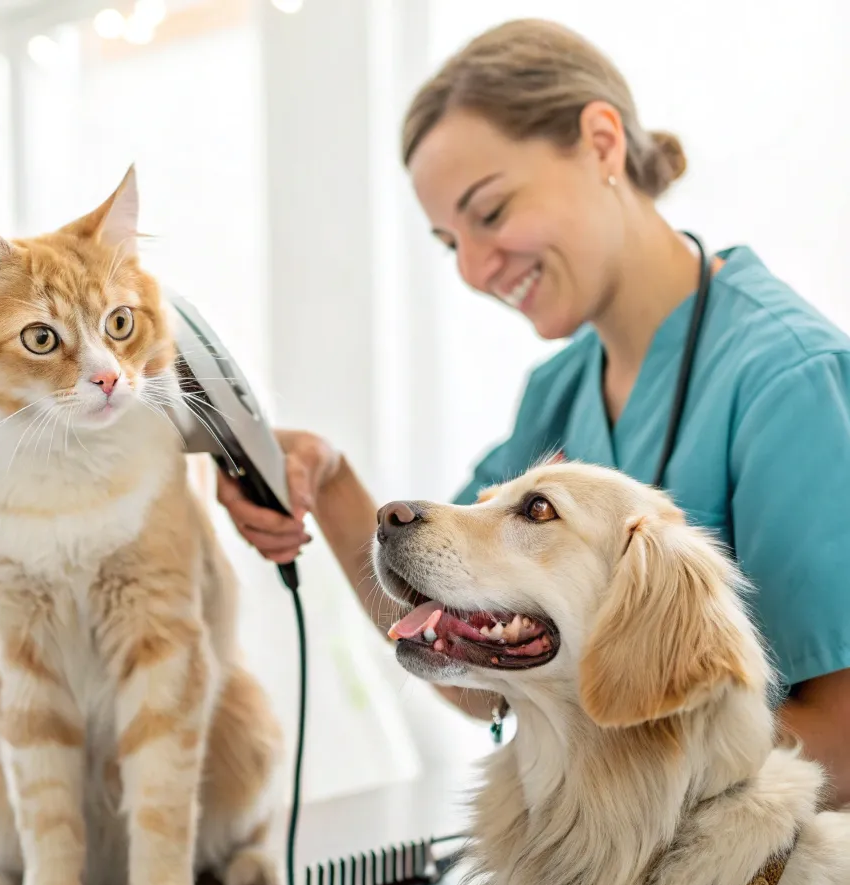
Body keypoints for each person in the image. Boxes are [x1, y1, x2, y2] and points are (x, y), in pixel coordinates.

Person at [218, 19, 850, 807]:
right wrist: (334, 486)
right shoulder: (554, 398)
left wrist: (615, 774)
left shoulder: (789, 379)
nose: (478, 270)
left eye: (490, 212)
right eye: (451, 244)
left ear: (600, 143)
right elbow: (481, 676)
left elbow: (842, 741)